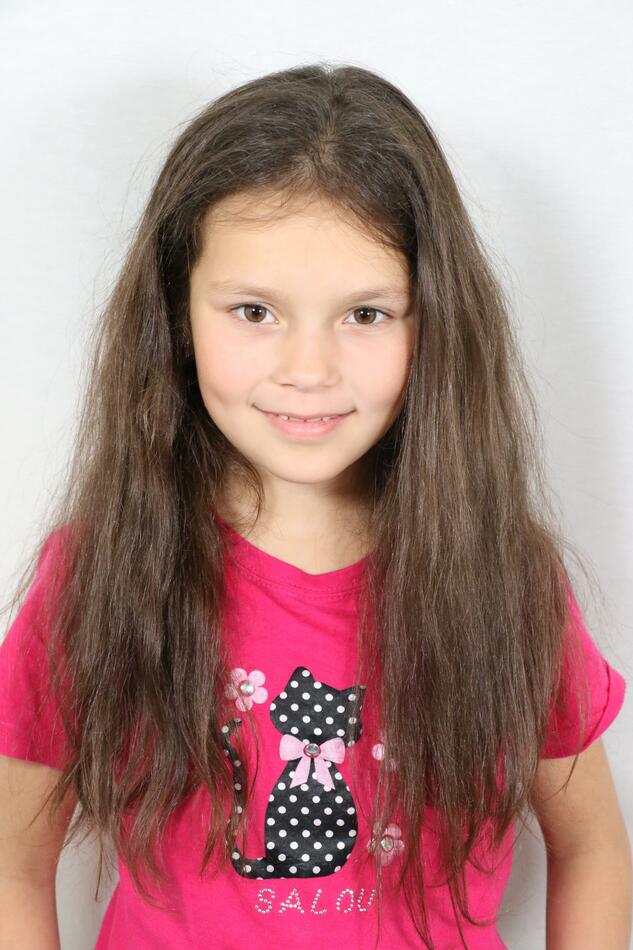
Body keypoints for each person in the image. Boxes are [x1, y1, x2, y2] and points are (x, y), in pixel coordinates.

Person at [0, 62, 630, 950]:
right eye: (254, 311)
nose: (308, 369)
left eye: (364, 315)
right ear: (177, 315)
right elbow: (12, 863)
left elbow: (592, 846)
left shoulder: (507, 581)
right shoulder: (98, 574)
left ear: (433, 323)